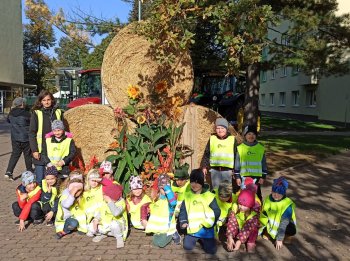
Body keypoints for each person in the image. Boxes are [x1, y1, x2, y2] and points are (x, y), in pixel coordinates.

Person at [179, 169, 221, 255]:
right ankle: (195, 238)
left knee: (211, 251)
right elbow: (183, 210)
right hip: (192, 229)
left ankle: (205, 240)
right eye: (192, 182)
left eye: (197, 182)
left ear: (202, 182)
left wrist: (211, 223)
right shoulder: (187, 196)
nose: (194, 184)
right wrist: (183, 221)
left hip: (206, 229)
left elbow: (217, 211)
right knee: (187, 246)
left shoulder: (209, 196)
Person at [29, 90, 64, 185]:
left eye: (48, 99)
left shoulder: (58, 112)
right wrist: (34, 150)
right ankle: (40, 199)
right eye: (44, 100)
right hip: (40, 152)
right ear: (41, 101)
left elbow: (63, 131)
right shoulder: (36, 113)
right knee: (40, 179)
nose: (47, 102)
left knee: (55, 180)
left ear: (52, 100)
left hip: (55, 151)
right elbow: (32, 133)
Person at [87, 178, 127, 248]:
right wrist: (96, 219)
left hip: (119, 226)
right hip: (107, 224)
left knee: (114, 224)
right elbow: (101, 211)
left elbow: (115, 213)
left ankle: (119, 238)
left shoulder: (121, 203)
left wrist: (110, 202)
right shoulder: (105, 202)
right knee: (91, 226)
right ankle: (102, 234)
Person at [259, 176, 297, 250]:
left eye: (279, 193)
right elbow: (263, 215)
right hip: (270, 224)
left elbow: (284, 223)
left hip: (283, 226)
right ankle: (267, 232)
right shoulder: (267, 199)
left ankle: (286, 235)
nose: (276, 195)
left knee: (291, 230)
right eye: (274, 192)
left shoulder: (287, 204)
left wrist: (279, 239)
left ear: (284, 193)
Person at [143, 174, 181, 247]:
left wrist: (167, 189)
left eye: (167, 187)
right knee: (156, 241)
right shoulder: (158, 197)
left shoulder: (171, 196)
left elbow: (173, 203)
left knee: (160, 243)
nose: (164, 190)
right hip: (160, 226)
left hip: (168, 226)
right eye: (162, 188)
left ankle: (173, 233)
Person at [234, 125, 267, 201]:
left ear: (256, 136)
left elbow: (263, 163)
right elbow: (237, 163)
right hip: (243, 177)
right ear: (245, 136)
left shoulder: (260, 148)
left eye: (253, 134)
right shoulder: (240, 147)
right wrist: (237, 177)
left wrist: (263, 176)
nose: (251, 136)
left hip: (256, 178)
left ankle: (256, 211)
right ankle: (243, 210)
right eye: (249, 134)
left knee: (255, 196)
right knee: (244, 195)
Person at [201, 118, 236, 189]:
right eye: (218, 128)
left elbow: (236, 155)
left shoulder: (232, 139)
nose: (220, 130)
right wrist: (204, 166)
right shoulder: (212, 139)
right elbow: (207, 153)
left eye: (222, 128)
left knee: (226, 190)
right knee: (216, 189)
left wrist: (235, 170)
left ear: (226, 129)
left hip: (227, 171)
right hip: (215, 170)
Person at [5, 97, 32, 180]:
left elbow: (8, 120)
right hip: (25, 138)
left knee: (15, 155)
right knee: (27, 155)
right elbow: (31, 123)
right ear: (22, 104)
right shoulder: (27, 113)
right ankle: (30, 172)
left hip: (15, 138)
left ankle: (8, 172)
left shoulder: (11, 113)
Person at [55, 170, 87, 239]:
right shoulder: (65, 193)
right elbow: (66, 205)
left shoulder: (83, 191)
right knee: (73, 223)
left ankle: (79, 228)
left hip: (77, 216)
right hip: (67, 218)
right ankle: (65, 231)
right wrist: (72, 193)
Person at [226, 188, 259, 253]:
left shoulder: (254, 213)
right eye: (240, 204)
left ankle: (250, 241)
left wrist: (239, 241)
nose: (241, 207)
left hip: (248, 229)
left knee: (254, 228)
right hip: (240, 228)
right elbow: (231, 222)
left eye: (245, 205)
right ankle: (233, 238)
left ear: (250, 206)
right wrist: (230, 236)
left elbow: (247, 228)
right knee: (232, 221)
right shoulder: (235, 209)